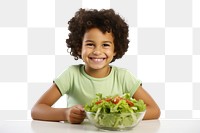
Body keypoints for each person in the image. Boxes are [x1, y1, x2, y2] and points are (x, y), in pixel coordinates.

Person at [31, 8, 160, 124]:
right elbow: (37, 109)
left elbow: (154, 110)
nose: (97, 51)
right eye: (90, 44)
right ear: (78, 47)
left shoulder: (123, 77)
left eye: (105, 45)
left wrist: (122, 115)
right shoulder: (71, 75)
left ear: (115, 49)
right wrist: (65, 113)